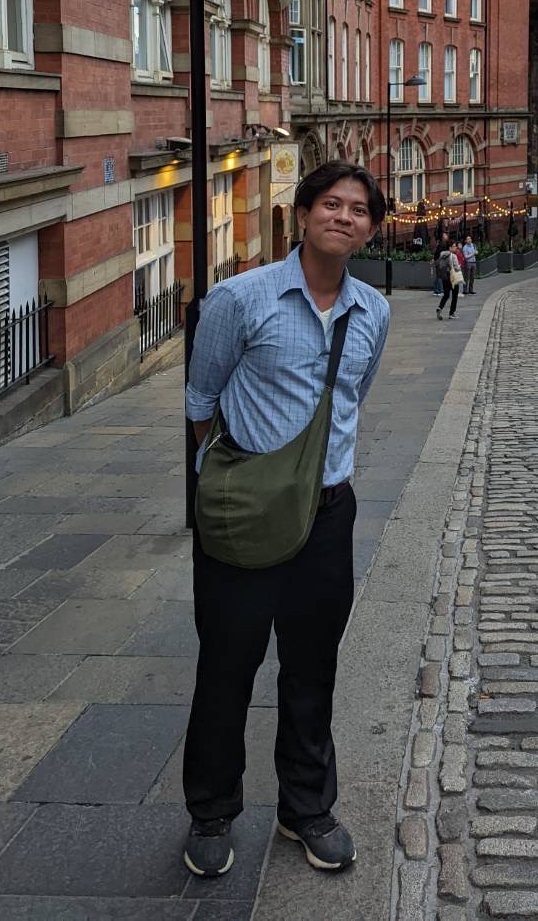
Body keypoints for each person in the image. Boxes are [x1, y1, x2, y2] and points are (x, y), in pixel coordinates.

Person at [181, 160, 391, 880]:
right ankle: (211, 812)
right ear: (302, 215)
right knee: (227, 667)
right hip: (246, 513)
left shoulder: (374, 311)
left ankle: (306, 809)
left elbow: (356, 393)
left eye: (359, 209)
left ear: (370, 228)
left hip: (329, 515)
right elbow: (200, 400)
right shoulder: (240, 300)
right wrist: (245, 477)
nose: (343, 216)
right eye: (330, 203)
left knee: (312, 670)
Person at [435, 240, 459, 320]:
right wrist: (459, 267)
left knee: (446, 295)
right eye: (454, 246)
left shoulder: (442, 255)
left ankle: (440, 307)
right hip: (452, 276)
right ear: (450, 248)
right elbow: (456, 267)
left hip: (445, 277)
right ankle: (451, 313)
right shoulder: (453, 256)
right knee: (455, 295)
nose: (456, 247)